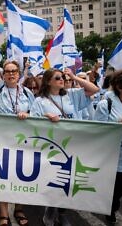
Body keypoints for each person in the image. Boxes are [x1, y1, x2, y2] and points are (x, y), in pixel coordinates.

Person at [30, 68, 99, 225]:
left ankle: (60, 213)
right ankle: (51, 209)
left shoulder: (72, 95)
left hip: (72, 144)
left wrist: (74, 76)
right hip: (52, 147)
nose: (62, 79)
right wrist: (45, 116)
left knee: (69, 180)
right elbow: (32, 123)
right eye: (58, 78)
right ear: (48, 81)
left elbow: (95, 89)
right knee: (55, 179)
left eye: (63, 77)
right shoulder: (40, 101)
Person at [0, 51, 34, 225]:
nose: (10, 74)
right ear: (3, 75)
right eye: (7, 71)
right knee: (3, 177)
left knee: (20, 177)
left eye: (14, 71)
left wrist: (27, 113)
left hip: (23, 141)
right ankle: (3, 214)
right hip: (2, 141)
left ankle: (19, 209)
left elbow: (36, 113)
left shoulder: (27, 93)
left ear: (19, 73)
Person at [94, 69, 122, 224]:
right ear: (120, 86)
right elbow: (98, 130)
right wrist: (119, 124)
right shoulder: (106, 103)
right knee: (116, 188)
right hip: (114, 157)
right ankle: (110, 208)